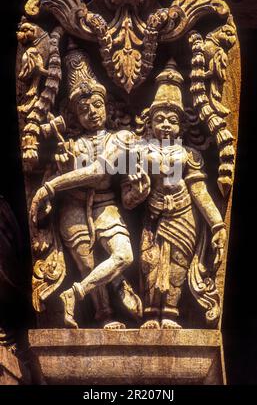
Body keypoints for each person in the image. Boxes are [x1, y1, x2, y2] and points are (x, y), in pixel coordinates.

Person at [31, 47, 142, 329]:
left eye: (96, 106)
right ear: (73, 115)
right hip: (73, 209)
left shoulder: (122, 138)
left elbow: (98, 173)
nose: (92, 113)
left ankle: (77, 291)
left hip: (105, 205)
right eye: (83, 109)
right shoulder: (73, 145)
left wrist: (51, 186)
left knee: (124, 254)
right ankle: (104, 314)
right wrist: (60, 165)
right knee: (87, 264)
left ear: (108, 106)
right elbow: (68, 175)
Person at [124, 59, 227, 329]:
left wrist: (217, 224)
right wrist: (138, 190)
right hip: (154, 215)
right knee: (150, 262)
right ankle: (149, 313)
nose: (166, 125)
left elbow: (199, 191)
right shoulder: (140, 153)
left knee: (177, 264)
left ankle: (169, 312)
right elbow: (128, 199)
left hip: (183, 215)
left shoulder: (189, 155)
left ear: (182, 125)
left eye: (172, 120)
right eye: (160, 119)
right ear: (149, 123)